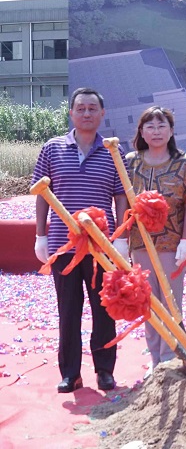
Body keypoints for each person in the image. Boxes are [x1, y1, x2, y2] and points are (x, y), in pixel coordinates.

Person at [32, 87, 128, 393]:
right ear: (71, 113)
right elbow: (41, 195)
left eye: (92, 108)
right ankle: (70, 373)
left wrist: (121, 237)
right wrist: (40, 235)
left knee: (104, 309)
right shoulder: (52, 148)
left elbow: (121, 196)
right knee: (68, 311)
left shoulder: (113, 151)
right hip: (63, 246)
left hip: (103, 246)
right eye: (81, 108)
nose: (86, 113)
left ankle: (104, 371)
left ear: (102, 113)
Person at [126, 106, 186, 376]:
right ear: (141, 132)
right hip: (140, 243)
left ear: (171, 131)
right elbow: (122, 199)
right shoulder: (131, 162)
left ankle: (170, 358)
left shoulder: (183, 163)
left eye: (161, 126)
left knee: (171, 301)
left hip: (171, 244)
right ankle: (155, 359)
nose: (156, 132)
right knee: (148, 301)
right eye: (150, 126)